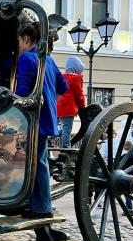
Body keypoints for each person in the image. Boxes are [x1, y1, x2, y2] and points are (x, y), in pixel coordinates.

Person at [15, 22, 67, 219]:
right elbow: (63, 87)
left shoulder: (27, 58)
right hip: (45, 120)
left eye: (19, 41)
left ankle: (42, 208)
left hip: (31, 121)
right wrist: (49, 104)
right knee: (40, 161)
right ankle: (39, 205)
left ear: (26, 39)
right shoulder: (48, 60)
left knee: (36, 163)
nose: (19, 45)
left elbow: (21, 94)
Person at [57, 56, 86, 148]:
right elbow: (79, 95)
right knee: (67, 130)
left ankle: (52, 137)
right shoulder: (76, 78)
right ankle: (66, 148)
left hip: (59, 107)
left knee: (62, 128)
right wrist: (83, 106)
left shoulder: (62, 76)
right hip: (69, 108)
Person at [121, 140, 133, 216]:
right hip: (131, 177)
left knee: (127, 194)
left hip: (126, 177)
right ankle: (128, 208)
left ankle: (129, 209)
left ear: (125, 147)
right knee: (127, 194)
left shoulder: (125, 157)